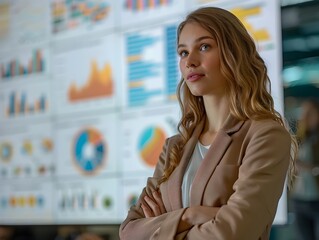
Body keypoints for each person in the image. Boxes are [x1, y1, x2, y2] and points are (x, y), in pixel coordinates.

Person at [119, 6, 297, 240]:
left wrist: (163, 227)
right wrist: (190, 215)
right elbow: (129, 231)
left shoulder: (265, 135)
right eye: (183, 52)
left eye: (204, 47)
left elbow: (233, 232)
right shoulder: (175, 147)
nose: (190, 61)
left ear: (233, 53)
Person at [291, 98, 319, 240]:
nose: (305, 116)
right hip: (299, 199)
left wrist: (310, 168)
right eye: (304, 112)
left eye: (310, 112)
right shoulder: (298, 138)